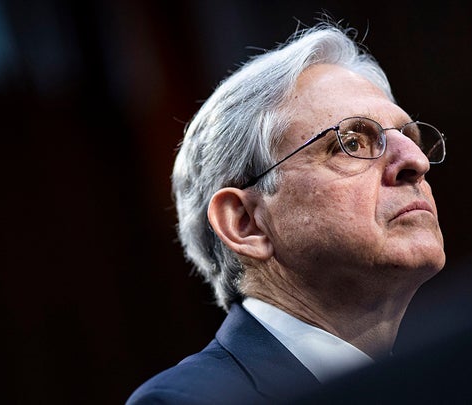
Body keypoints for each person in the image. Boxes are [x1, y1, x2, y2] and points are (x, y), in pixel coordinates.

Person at [126, 19, 447, 404]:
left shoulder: (457, 380)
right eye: (352, 142)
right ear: (245, 224)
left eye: (409, 137)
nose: (415, 161)